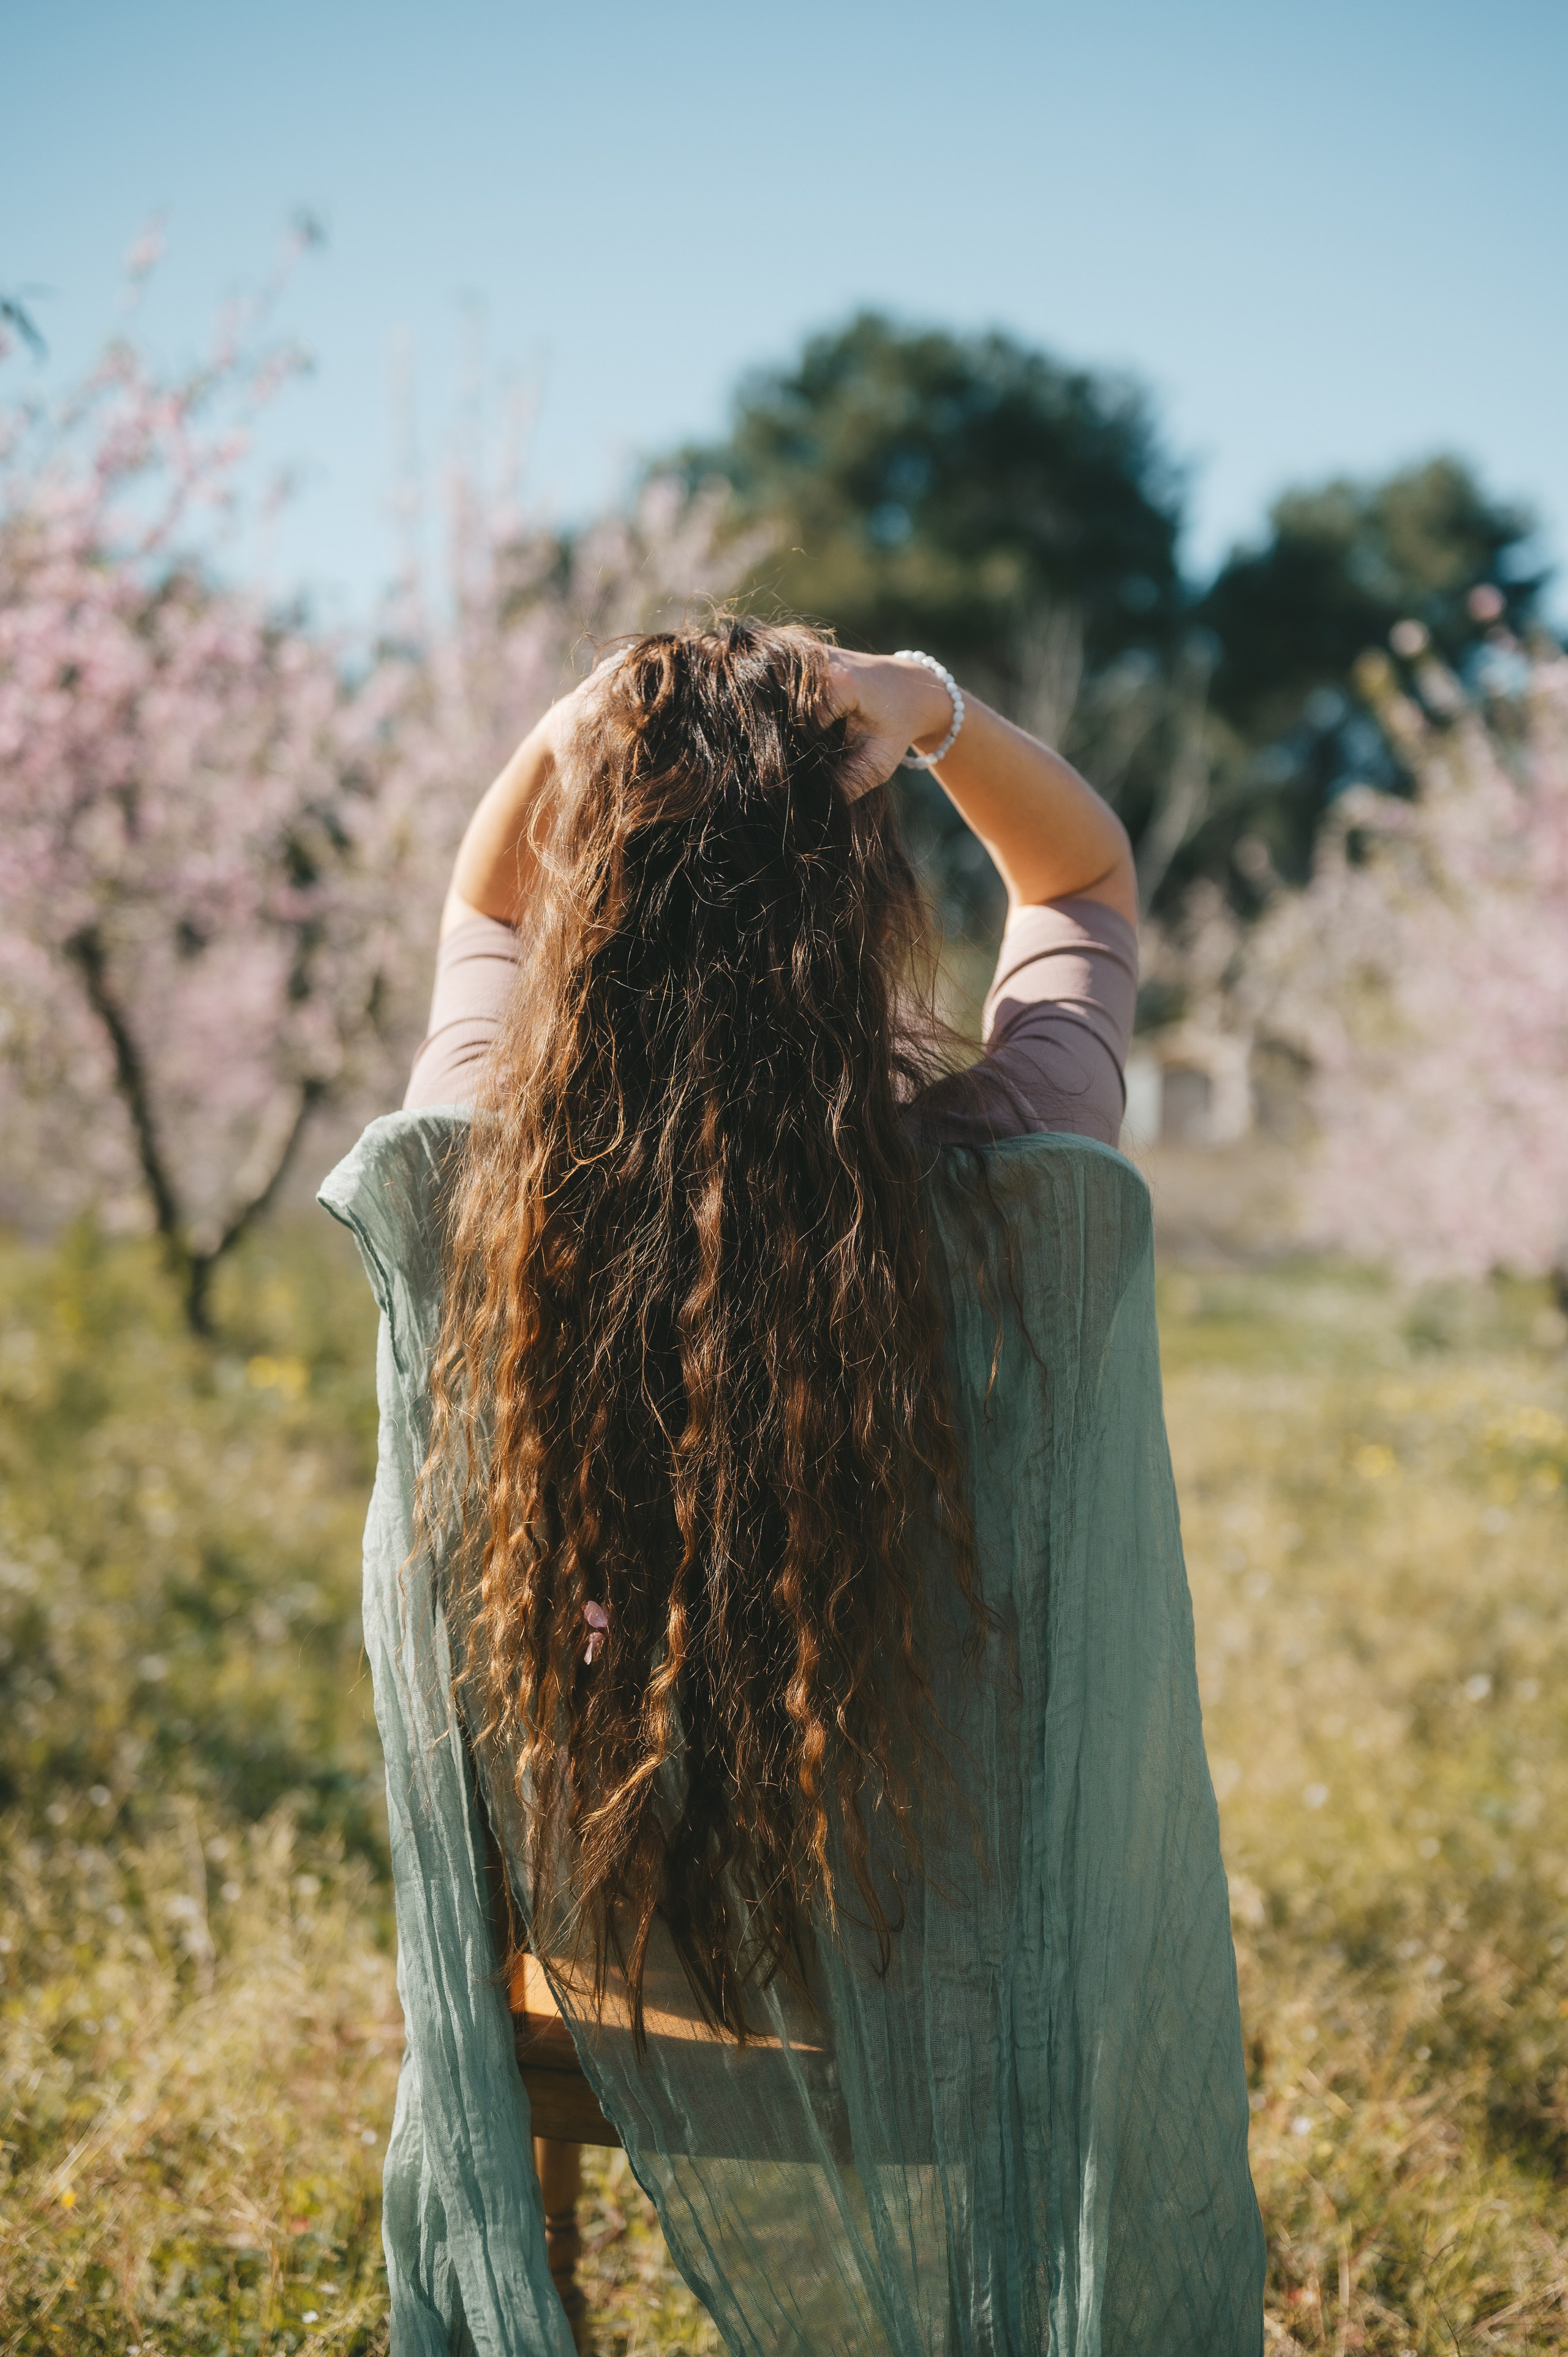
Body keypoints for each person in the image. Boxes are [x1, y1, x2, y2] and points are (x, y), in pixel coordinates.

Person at [320, 620, 1265, 2357]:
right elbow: (1088, 887)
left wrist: (592, 725)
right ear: (862, 915)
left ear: (599, 902)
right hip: (929, 1959)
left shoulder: (471, 1177)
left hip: (612, 1946)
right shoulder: (1014, 1178)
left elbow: (486, 916)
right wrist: (934, 706)